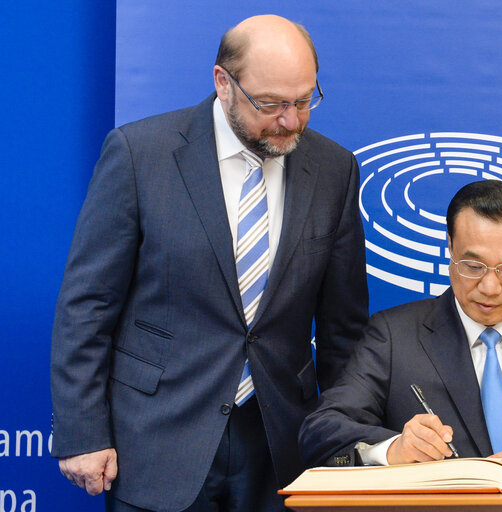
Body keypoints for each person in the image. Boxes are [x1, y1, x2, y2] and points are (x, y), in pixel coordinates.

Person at [50, 15, 368, 512]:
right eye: (270, 104)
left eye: (305, 101)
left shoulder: (334, 169)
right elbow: (88, 305)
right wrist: (82, 430)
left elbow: (343, 327)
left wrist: (350, 441)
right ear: (223, 83)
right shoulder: (140, 154)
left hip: (282, 444)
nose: (290, 120)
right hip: (156, 440)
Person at [300, 180, 502, 470]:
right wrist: (392, 449)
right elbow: (321, 432)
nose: (489, 287)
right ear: (450, 249)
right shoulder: (393, 335)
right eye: (472, 266)